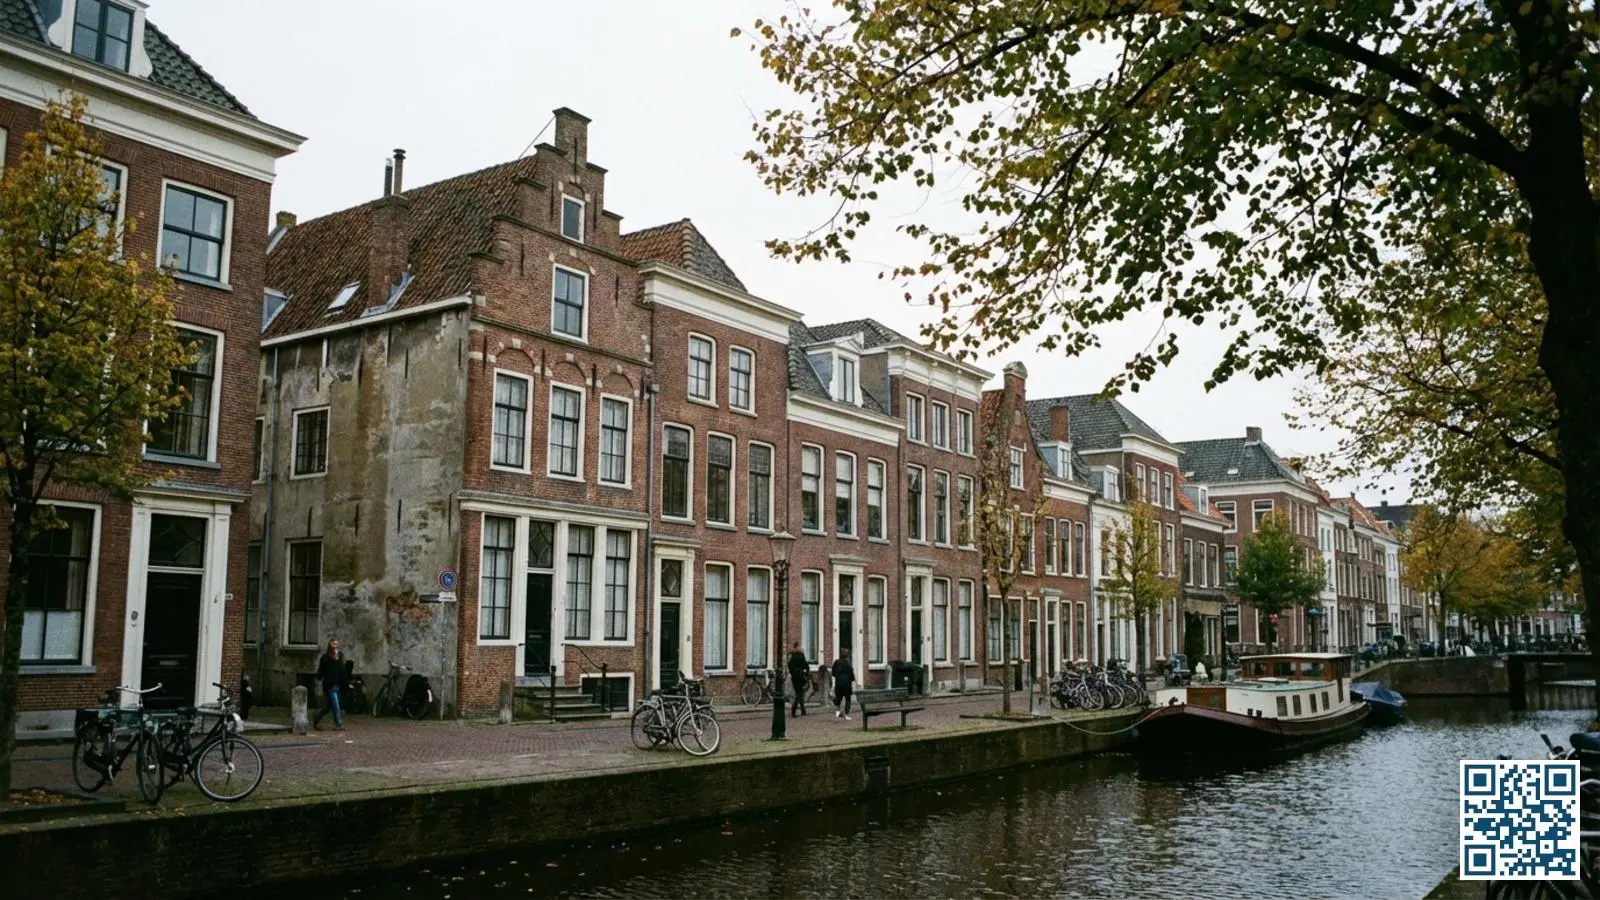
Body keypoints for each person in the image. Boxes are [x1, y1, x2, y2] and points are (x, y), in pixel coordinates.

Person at [313, 638, 347, 731]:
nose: (335, 647)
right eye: (333, 645)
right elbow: (321, 671)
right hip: (329, 686)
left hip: (338, 685)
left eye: (337, 645)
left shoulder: (340, 656)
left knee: (329, 706)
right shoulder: (325, 658)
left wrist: (345, 683)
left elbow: (342, 670)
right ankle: (339, 724)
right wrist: (319, 677)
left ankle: (317, 717)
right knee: (336, 705)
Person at [831, 648, 856, 720]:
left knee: (839, 697)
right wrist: (852, 680)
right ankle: (847, 714)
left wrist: (838, 677)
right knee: (848, 699)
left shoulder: (836, 662)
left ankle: (838, 711)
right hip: (847, 684)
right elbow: (851, 675)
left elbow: (833, 673)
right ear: (847, 656)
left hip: (838, 683)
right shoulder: (848, 663)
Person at [786, 641, 810, 718]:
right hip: (800, 675)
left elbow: (789, 666)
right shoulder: (801, 655)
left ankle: (803, 710)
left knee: (799, 692)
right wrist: (806, 673)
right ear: (798, 647)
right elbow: (805, 665)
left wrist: (792, 672)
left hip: (794, 677)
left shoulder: (791, 656)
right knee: (799, 693)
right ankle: (795, 710)